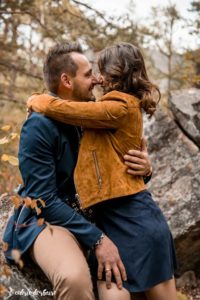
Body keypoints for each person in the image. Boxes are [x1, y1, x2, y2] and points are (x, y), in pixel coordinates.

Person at [27, 42, 177, 300]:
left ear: (116, 73)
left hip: (127, 220)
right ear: (66, 80)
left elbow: (116, 164)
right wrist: (98, 239)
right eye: (88, 74)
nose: (95, 80)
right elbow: (43, 196)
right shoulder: (42, 124)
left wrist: (145, 169)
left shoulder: (104, 111)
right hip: (91, 223)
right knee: (93, 283)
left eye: (97, 72)